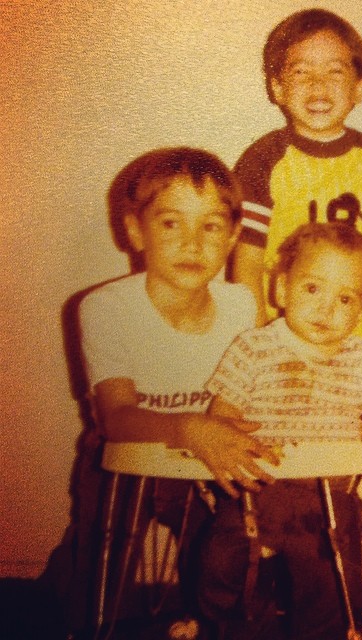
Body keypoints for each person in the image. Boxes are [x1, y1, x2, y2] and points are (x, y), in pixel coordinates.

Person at [79, 147, 280, 635]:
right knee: (96, 565)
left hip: (210, 457)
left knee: (250, 524)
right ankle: (92, 616)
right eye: (171, 224)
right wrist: (190, 427)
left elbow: (256, 395)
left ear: (233, 237)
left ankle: (227, 612)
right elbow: (116, 417)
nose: (192, 242)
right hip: (128, 455)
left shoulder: (239, 305)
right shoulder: (105, 308)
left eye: (211, 227)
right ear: (134, 231)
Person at [198, 222, 362, 640]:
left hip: (327, 498)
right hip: (252, 489)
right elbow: (222, 417)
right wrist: (220, 443)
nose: (327, 308)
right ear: (281, 289)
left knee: (332, 583)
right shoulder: (252, 348)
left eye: (345, 298)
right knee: (222, 567)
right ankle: (232, 628)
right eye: (313, 289)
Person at [232, 8, 362, 333]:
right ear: (277, 88)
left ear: (358, 89)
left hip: (352, 333)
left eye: (335, 72)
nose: (318, 85)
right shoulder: (262, 159)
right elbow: (246, 261)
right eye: (301, 72)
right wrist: (257, 337)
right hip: (279, 330)